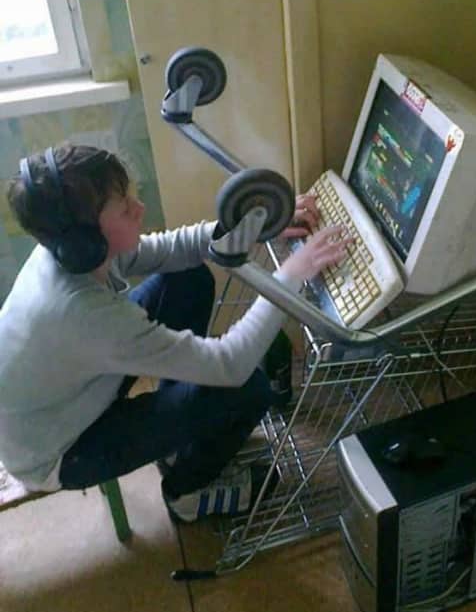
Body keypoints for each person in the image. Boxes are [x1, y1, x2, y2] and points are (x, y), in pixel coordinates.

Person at [0, 143, 351, 522]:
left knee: (189, 276)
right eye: (124, 208)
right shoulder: (82, 312)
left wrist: (252, 224)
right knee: (247, 387)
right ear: (85, 240)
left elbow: (170, 250)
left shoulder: (68, 250)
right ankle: (187, 493)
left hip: (68, 394)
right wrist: (291, 276)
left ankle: (177, 436)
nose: (140, 208)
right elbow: (229, 364)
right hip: (62, 450)